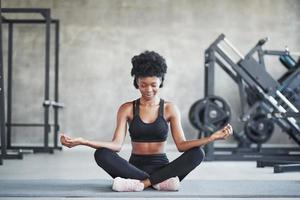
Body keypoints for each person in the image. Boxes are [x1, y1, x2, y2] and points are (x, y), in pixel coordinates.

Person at [60, 50, 233, 192]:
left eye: (153, 84)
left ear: (161, 82)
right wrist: (83, 141)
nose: (148, 89)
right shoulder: (127, 108)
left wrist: (211, 138)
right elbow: (116, 145)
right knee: (101, 154)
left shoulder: (169, 108)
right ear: (136, 83)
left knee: (198, 153)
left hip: (163, 169)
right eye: (143, 85)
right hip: (133, 169)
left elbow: (181, 145)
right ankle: (158, 183)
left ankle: (142, 184)